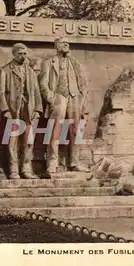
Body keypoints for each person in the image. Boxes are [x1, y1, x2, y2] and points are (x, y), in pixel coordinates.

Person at [39, 37, 90, 174]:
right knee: (54, 129)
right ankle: (52, 162)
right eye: (63, 43)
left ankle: (74, 162)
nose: (67, 44)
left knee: (75, 130)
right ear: (57, 46)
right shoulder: (49, 62)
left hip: (74, 97)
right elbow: (43, 83)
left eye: (68, 42)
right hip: (58, 96)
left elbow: (83, 82)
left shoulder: (75, 63)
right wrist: (51, 98)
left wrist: (82, 98)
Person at [0, 43, 43, 179]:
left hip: (28, 109)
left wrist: (38, 109)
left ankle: (26, 169)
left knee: (28, 140)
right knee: (13, 141)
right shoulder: (5, 71)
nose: (23, 56)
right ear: (14, 54)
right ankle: (13, 170)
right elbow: (0, 92)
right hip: (13, 109)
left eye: (24, 54)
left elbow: (36, 91)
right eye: (20, 54)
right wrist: (5, 110)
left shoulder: (30, 72)